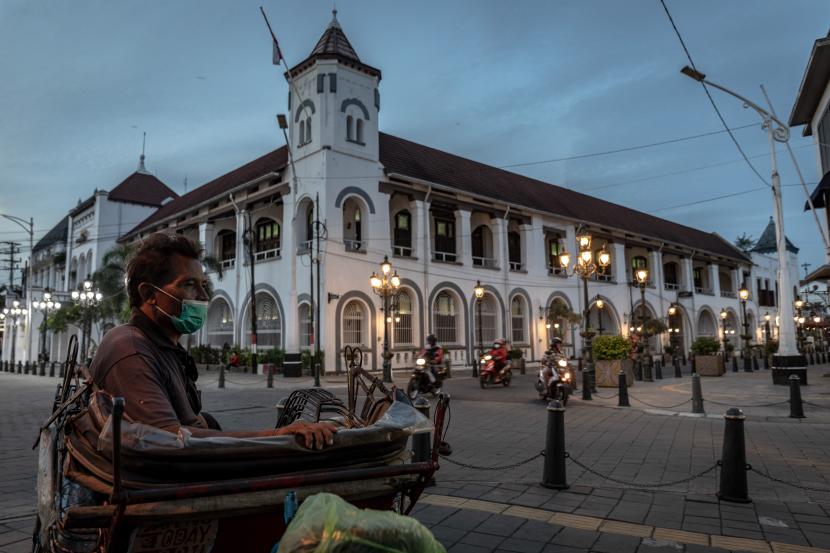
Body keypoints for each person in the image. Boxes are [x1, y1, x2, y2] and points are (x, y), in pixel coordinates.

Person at [89, 233, 336, 449]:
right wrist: (275, 435)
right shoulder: (130, 349)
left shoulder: (161, 346)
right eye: (189, 285)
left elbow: (187, 425)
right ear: (149, 294)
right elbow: (168, 441)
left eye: (203, 285)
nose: (204, 296)